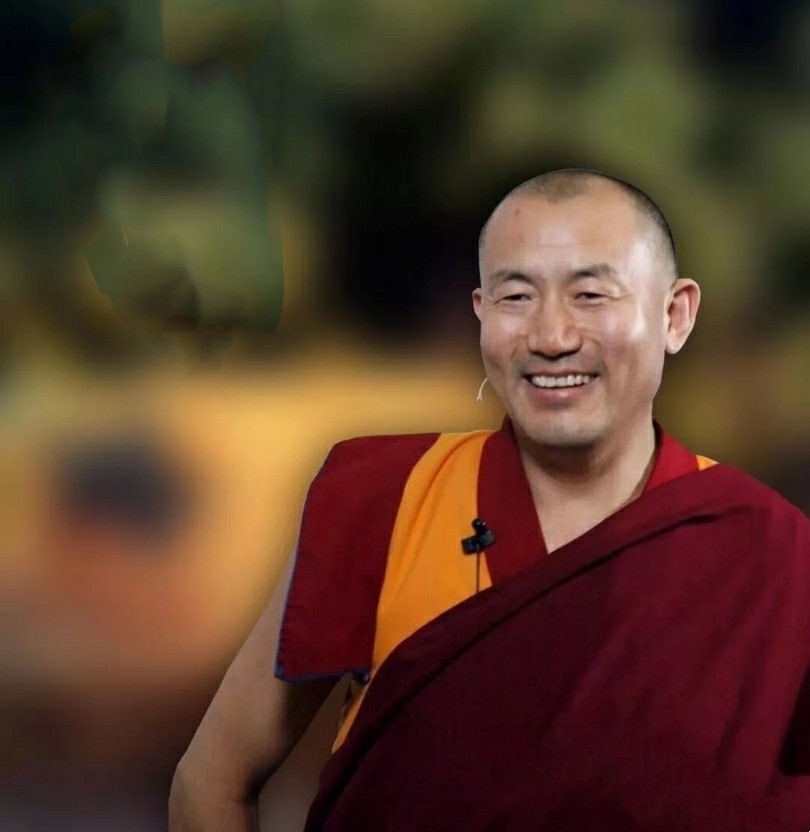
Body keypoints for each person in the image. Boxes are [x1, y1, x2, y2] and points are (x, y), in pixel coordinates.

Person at [169, 169, 810, 831]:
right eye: (516, 297)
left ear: (675, 316)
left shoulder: (768, 550)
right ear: (481, 313)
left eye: (591, 294)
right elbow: (209, 782)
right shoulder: (384, 499)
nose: (552, 337)